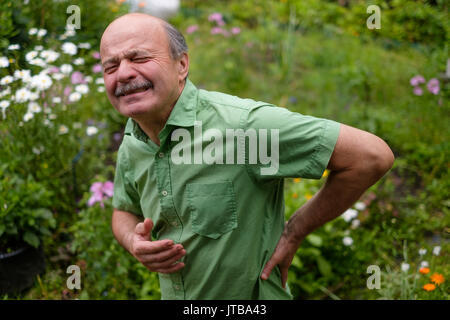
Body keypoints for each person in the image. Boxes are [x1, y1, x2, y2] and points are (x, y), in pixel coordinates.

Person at [100, 13, 394, 300]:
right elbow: (124, 210)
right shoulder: (134, 137)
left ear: (182, 65)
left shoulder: (243, 127)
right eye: (110, 66)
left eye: (139, 58)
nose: (123, 73)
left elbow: (371, 157)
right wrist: (133, 242)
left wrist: (295, 231)